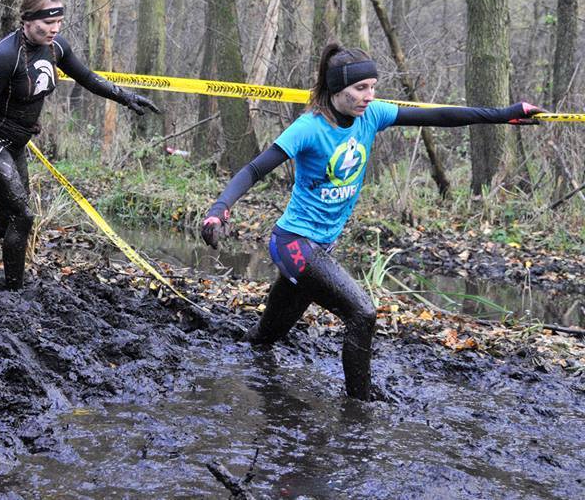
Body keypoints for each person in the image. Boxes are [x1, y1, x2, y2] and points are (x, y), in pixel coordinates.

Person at [201, 42, 543, 400]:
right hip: (295, 245)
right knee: (362, 314)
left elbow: (440, 115)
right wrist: (219, 208)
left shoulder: (373, 116)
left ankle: (240, 380)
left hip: (320, 246)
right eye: (360, 88)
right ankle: (359, 406)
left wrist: (503, 114)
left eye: (373, 87)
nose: (369, 96)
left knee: (264, 339)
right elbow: (255, 168)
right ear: (336, 89)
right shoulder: (308, 128)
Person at [0, 0, 160, 289]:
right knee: (23, 217)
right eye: (47, 23)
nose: (54, 29)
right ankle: (14, 291)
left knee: (6, 223)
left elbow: (86, 78)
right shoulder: (5, 56)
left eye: (58, 23)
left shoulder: (56, 48)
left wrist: (124, 96)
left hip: (17, 144)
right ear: (27, 20)